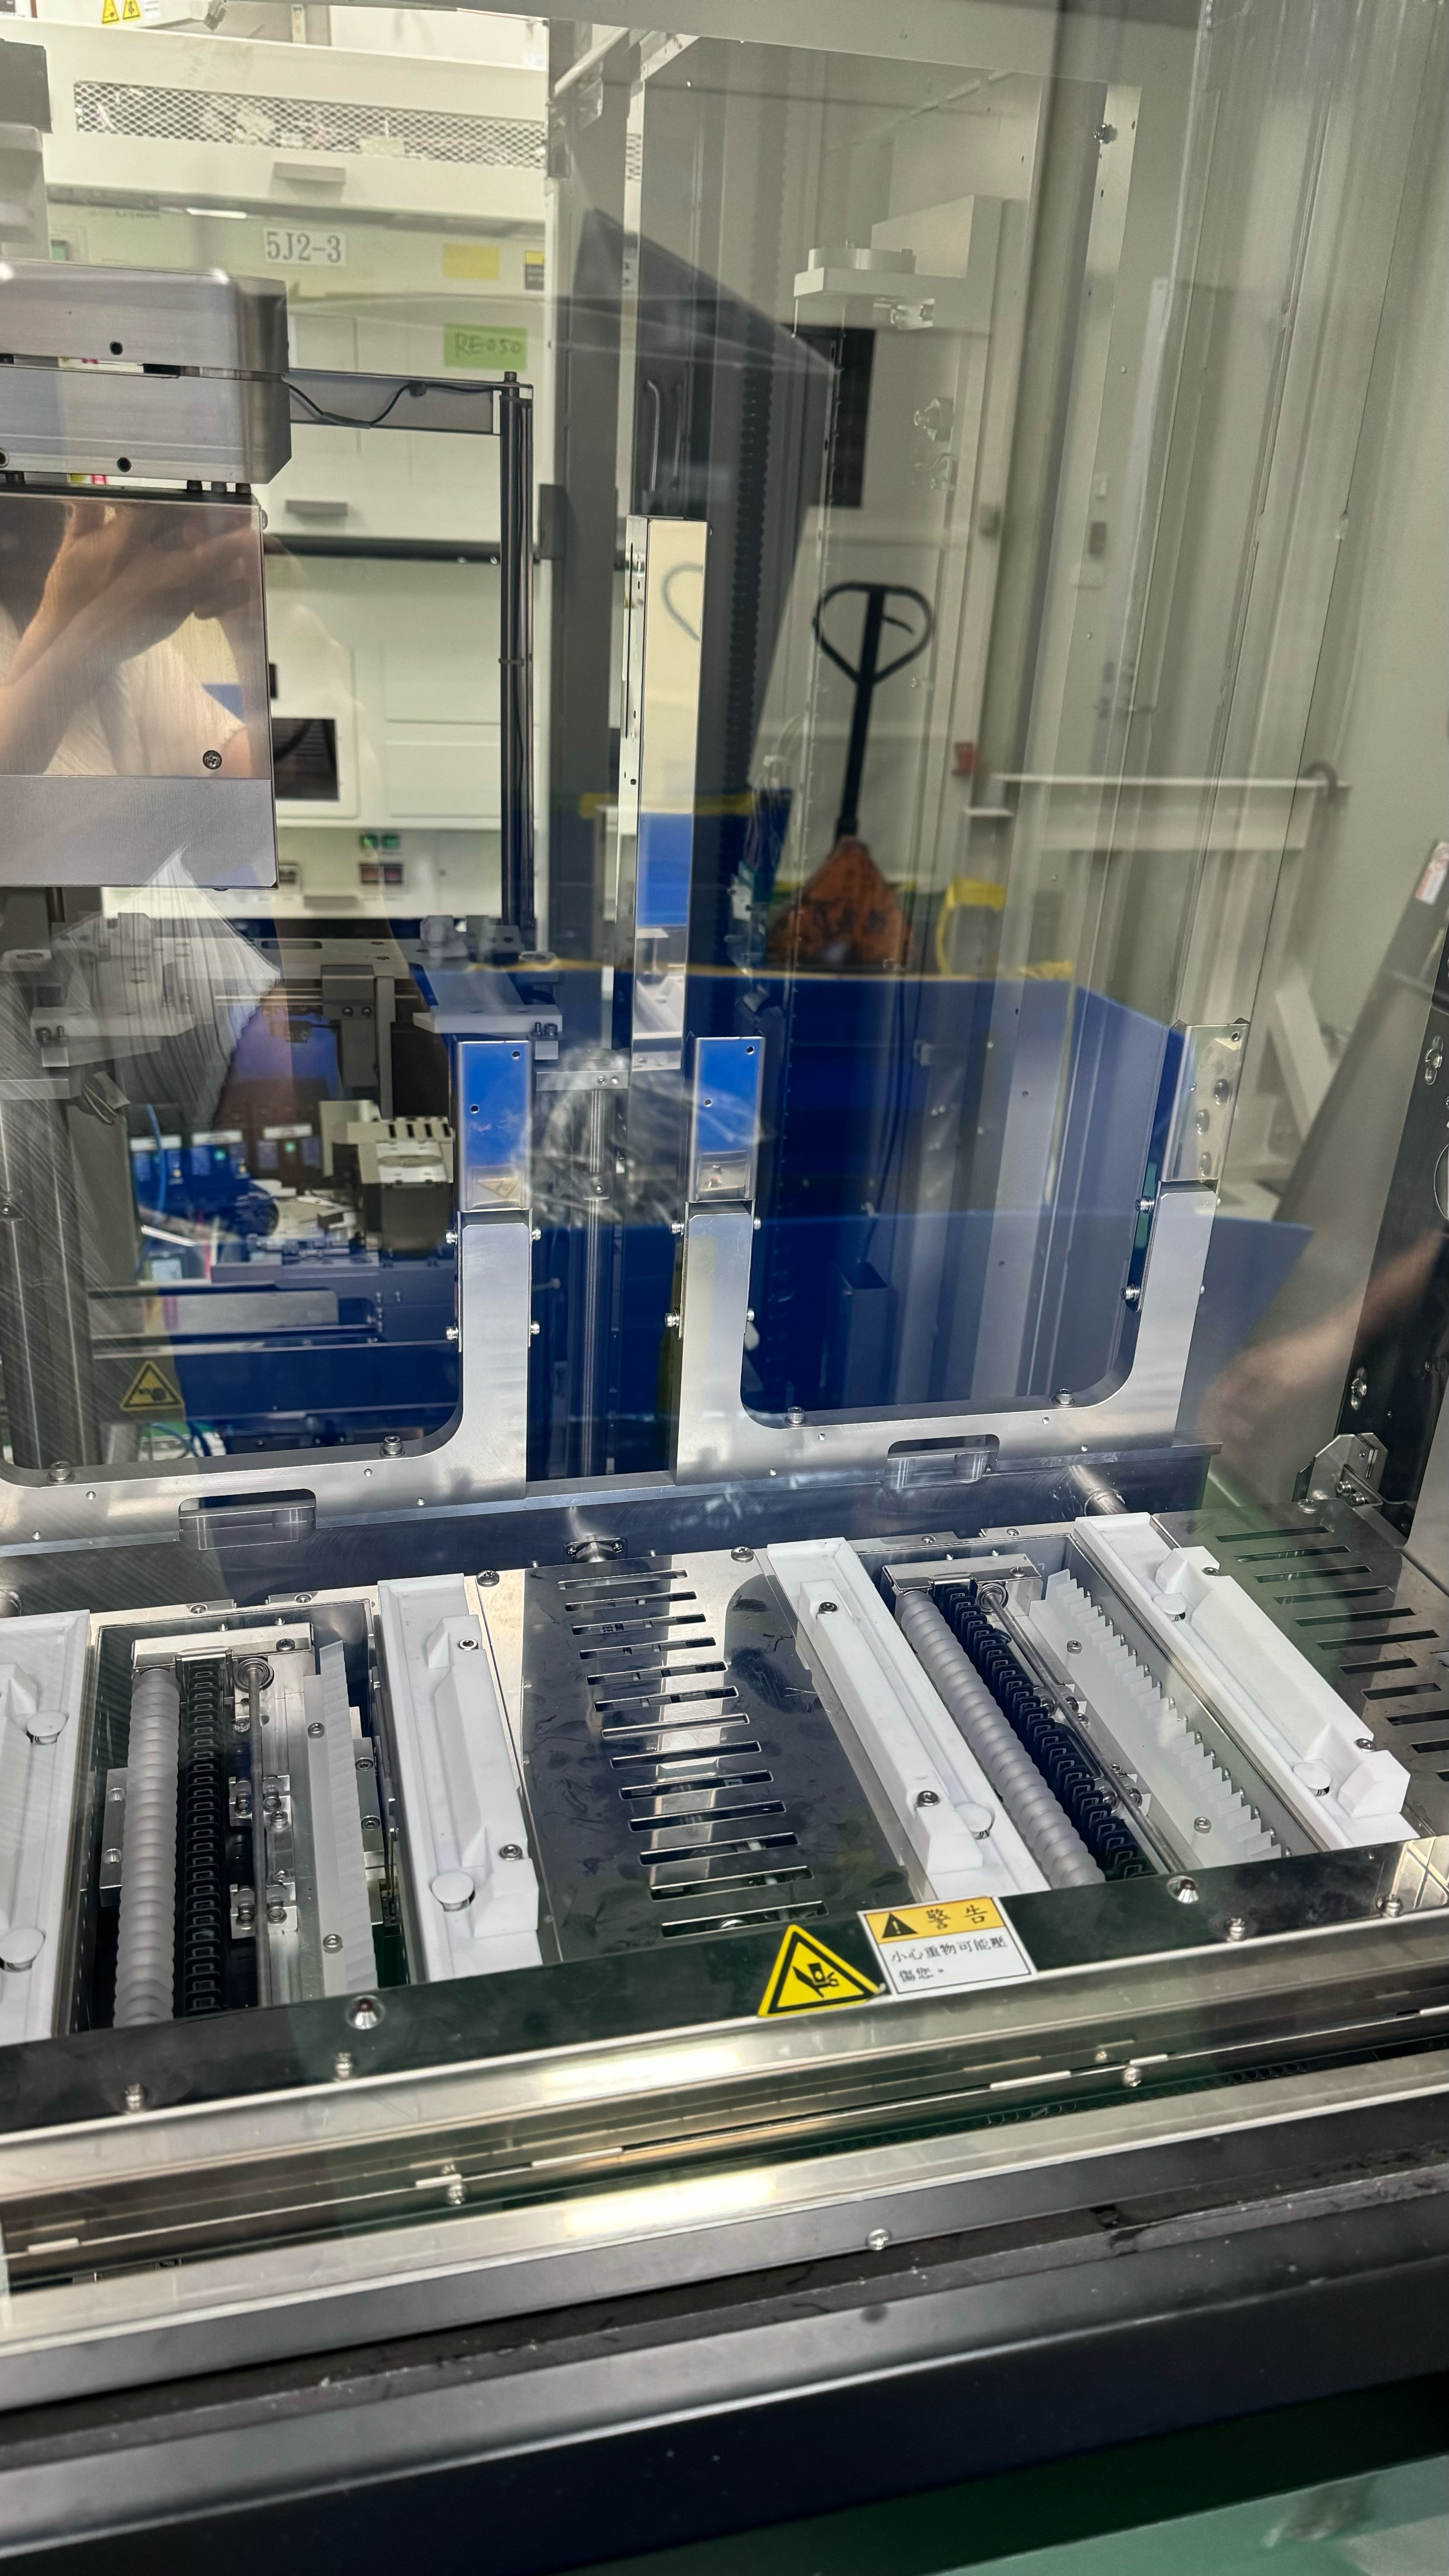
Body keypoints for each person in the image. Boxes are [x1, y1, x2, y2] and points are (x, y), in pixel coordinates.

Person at [0, 492, 261, 780]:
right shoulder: (117, 630)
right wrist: (88, 639)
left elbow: (248, 773)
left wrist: (249, 628)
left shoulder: (133, 652)